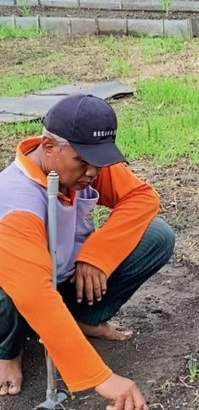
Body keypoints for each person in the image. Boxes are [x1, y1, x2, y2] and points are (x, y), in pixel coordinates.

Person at [0, 94, 174, 409]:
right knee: (9, 289)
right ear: (49, 147)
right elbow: (33, 293)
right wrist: (102, 378)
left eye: (100, 159)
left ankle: (78, 320)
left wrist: (97, 255)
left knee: (157, 236)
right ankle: (7, 351)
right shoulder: (15, 200)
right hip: (17, 293)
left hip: (62, 278)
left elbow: (141, 197)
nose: (93, 172)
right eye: (83, 161)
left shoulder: (86, 168)